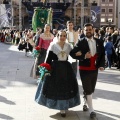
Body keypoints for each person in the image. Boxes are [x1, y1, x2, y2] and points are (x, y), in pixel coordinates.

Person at [35, 30, 80, 117]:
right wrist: (46, 70)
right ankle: (59, 106)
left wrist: (79, 54)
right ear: (58, 36)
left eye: (64, 36)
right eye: (61, 36)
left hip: (66, 69)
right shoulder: (53, 46)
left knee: (66, 87)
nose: (62, 37)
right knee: (57, 87)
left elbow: (73, 55)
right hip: (55, 69)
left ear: (66, 37)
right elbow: (48, 59)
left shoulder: (68, 46)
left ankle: (63, 107)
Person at [70, 23, 105, 118]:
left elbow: (102, 54)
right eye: (86, 30)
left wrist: (102, 65)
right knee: (88, 89)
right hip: (84, 69)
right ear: (84, 31)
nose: (88, 31)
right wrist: (84, 56)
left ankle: (85, 102)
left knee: (91, 89)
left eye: (90, 29)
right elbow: (72, 53)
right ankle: (91, 110)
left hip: (94, 68)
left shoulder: (99, 41)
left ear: (93, 30)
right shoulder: (80, 42)